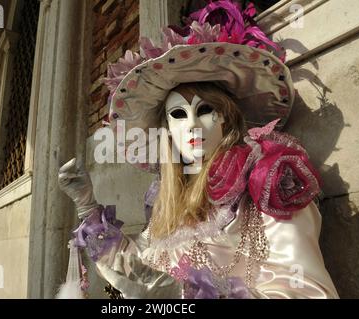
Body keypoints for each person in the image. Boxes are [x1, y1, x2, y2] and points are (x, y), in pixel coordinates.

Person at [58, 0, 339, 299]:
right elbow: (141, 271)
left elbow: (308, 292)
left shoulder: (266, 186)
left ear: (227, 119)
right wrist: (88, 208)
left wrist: (190, 295)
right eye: (178, 115)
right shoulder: (168, 202)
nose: (191, 125)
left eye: (205, 110)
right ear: (166, 132)